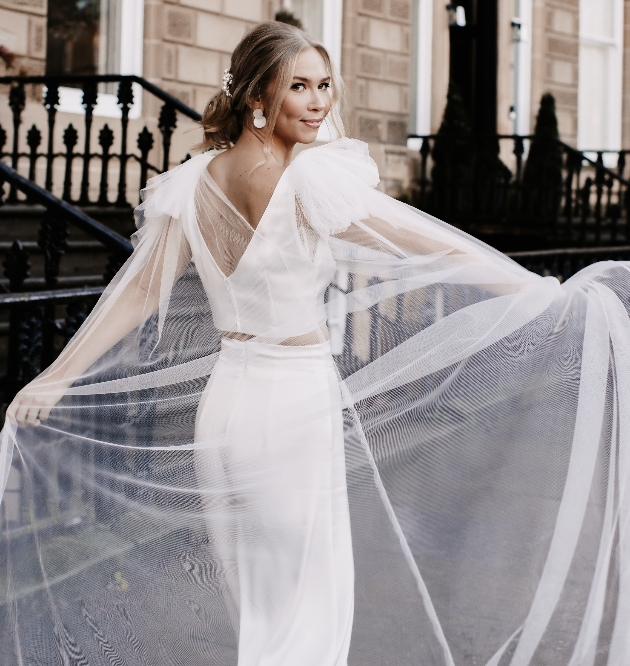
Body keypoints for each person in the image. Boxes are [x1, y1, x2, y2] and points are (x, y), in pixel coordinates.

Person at [1, 19, 629, 666]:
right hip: (293, 403)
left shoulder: (191, 183)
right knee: (306, 600)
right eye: (299, 87)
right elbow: (427, 245)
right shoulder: (305, 180)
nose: (319, 102)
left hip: (230, 408)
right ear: (256, 98)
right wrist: (530, 285)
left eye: (324, 85)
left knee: (260, 601)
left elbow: (138, 293)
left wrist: (59, 372)